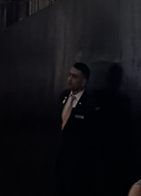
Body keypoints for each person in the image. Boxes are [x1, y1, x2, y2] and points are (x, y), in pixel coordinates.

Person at [55, 65, 97, 195]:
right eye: (69, 75)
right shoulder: (63, 96)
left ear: (83, 81)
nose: (69, 79)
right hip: (60, 158)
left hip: (78, 162)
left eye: (74, 76)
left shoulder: (90, 103)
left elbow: (91, 136)